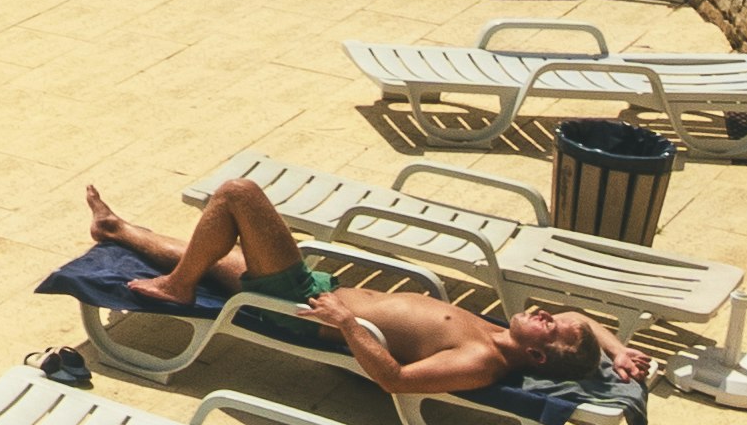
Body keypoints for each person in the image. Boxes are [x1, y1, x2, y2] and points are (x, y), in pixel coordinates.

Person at [67, 173, 645, 409]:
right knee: (228, 258)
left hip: (304, 308)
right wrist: (617, 353)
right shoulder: (511, 335)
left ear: (538, 355)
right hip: (321, 289)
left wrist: (346, 323)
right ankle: (117, 231)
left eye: (547, 325)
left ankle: (176, 286)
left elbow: (395, 381)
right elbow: (577, 319)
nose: (545, 311)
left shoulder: (479, 359)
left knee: (238, 195)